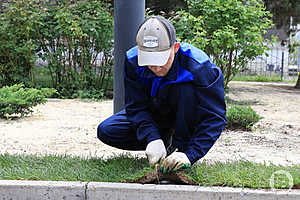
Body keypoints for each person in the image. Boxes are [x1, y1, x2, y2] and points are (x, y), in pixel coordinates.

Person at [97, 16, 227, 173]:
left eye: (161, 59)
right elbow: (136, 107)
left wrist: (191, 154)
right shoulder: (133, 61)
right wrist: (152, 138)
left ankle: (179, 148)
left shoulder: (200, 67)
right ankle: (164, 143)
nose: (156, 67)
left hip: (187, 116)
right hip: (158, 114)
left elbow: (215, 118)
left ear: (176, 47)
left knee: (185, 89)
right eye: (149, 60)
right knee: (107, 130)